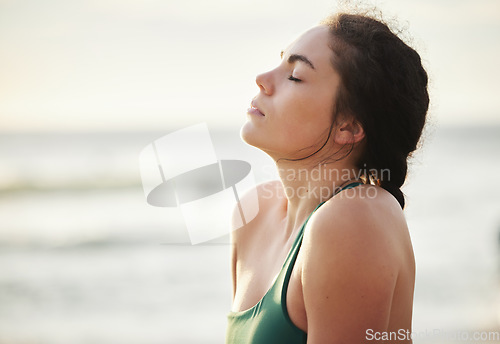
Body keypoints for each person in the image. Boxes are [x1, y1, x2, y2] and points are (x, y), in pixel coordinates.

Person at [226, 10, 429, 344]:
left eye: (295, 75)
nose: (263, 77)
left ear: (348, 126)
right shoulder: (253, 213)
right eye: (279, 62)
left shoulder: (355, 218)